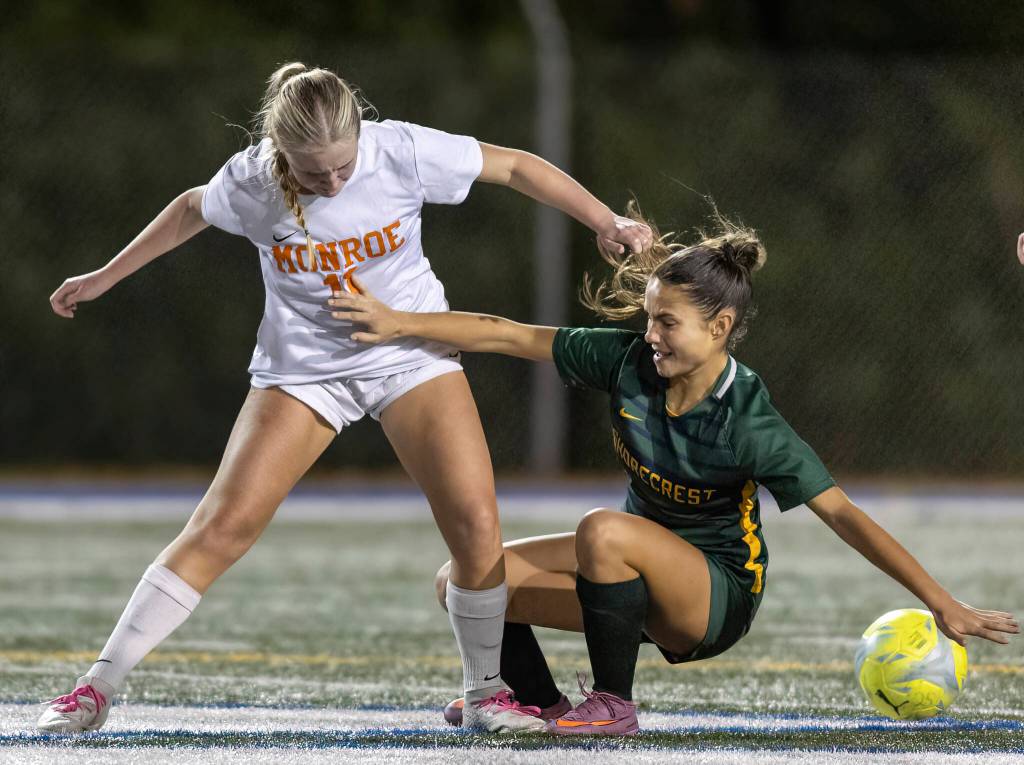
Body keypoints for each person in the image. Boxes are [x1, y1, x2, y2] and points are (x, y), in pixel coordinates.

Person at [38, 62, 652, 734]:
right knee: (222, 525)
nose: (332, 182)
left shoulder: (401, 153)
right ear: (281, 154)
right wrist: (103, 277)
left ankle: (486, 693)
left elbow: (512, 167)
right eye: (313, 173)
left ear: (363, 133)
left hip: (407, 352)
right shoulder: (252, 181)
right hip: (305, 369)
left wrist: (603, 218)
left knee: (477, 525)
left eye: (341, 167)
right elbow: (191, 208)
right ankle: (95, 687)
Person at [329, 204, 1021, 736]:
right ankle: (537, 702)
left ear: (719, 327)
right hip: (626, 580)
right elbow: (507, 333)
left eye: (669, 323)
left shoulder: (748, 417)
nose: (651, 333)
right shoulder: (629, 363)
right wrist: (397, 322)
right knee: (464, 580)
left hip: (713, 597)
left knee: (604, 529)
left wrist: (940, 600)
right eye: (651, 317)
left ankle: (615, 706)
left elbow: (842, 513)